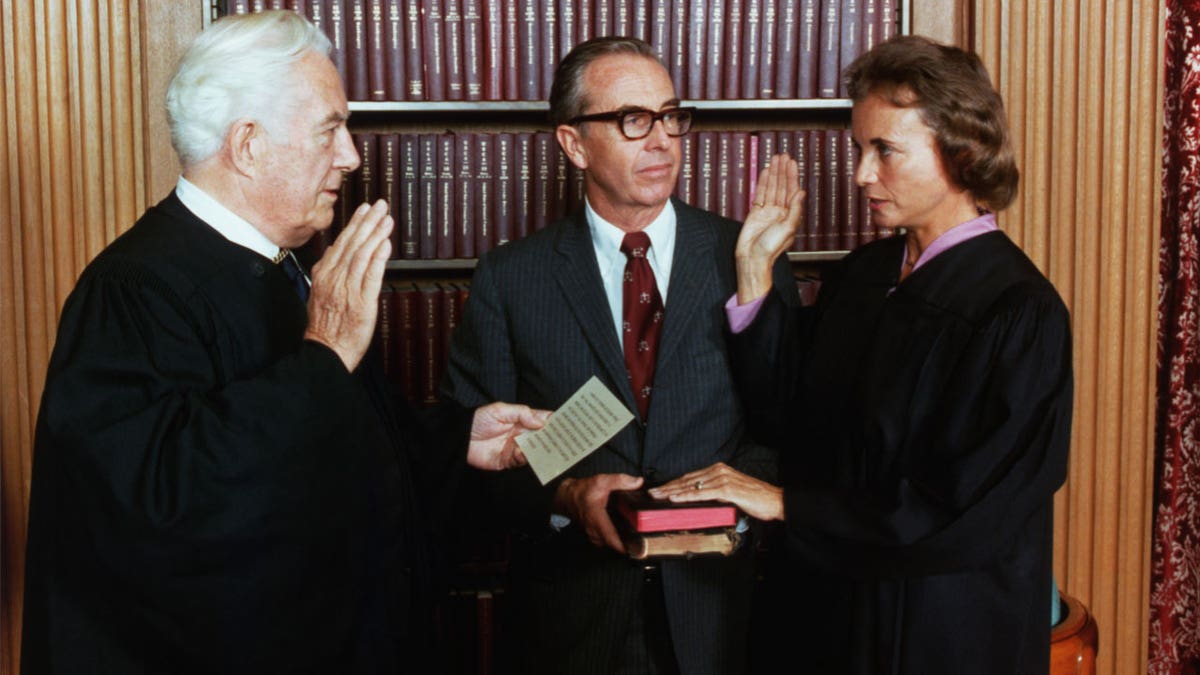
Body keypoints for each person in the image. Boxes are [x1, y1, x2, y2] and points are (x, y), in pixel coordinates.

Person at [20, 11, 546, 675]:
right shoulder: (134, 291)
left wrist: (454, 441)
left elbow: (330, 448)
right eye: (330, 129)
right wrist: (322, 353)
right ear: (248, 146)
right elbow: (163, 512)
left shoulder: (284, 269)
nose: (352, 156)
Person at [651, 35, 1073, 674]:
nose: (860, 174)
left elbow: (963, 510)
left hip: (941, 629)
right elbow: (785, 417)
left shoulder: (1017, 311)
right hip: (832, 613)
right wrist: (755, 269)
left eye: (885, 151)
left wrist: (790, 504)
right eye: (859, 148)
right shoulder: (865, 275)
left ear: (959, 151)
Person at [440, 37, 793, 675]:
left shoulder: (748, 256)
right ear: (573, 144)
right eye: (633, 120)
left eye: (670, 116)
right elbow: (468, 466)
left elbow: (783, 421)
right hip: (571, 622)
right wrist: (565, 497)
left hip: (717, 615)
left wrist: (729, 518)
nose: (661, 139)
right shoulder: (510, 278)